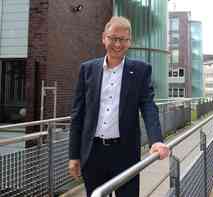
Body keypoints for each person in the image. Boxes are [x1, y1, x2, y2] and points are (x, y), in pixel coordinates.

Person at [68, 16, 170, 197]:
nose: (117, 44)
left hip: (125, 153)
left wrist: (156, 140)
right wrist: (74, 155)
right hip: (92, 153)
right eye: (113, 38)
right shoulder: (87, 69)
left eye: (123, 39)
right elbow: (78, 114)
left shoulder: (140, 70)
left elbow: (148, 106)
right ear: (103, 38)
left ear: (129, 42)